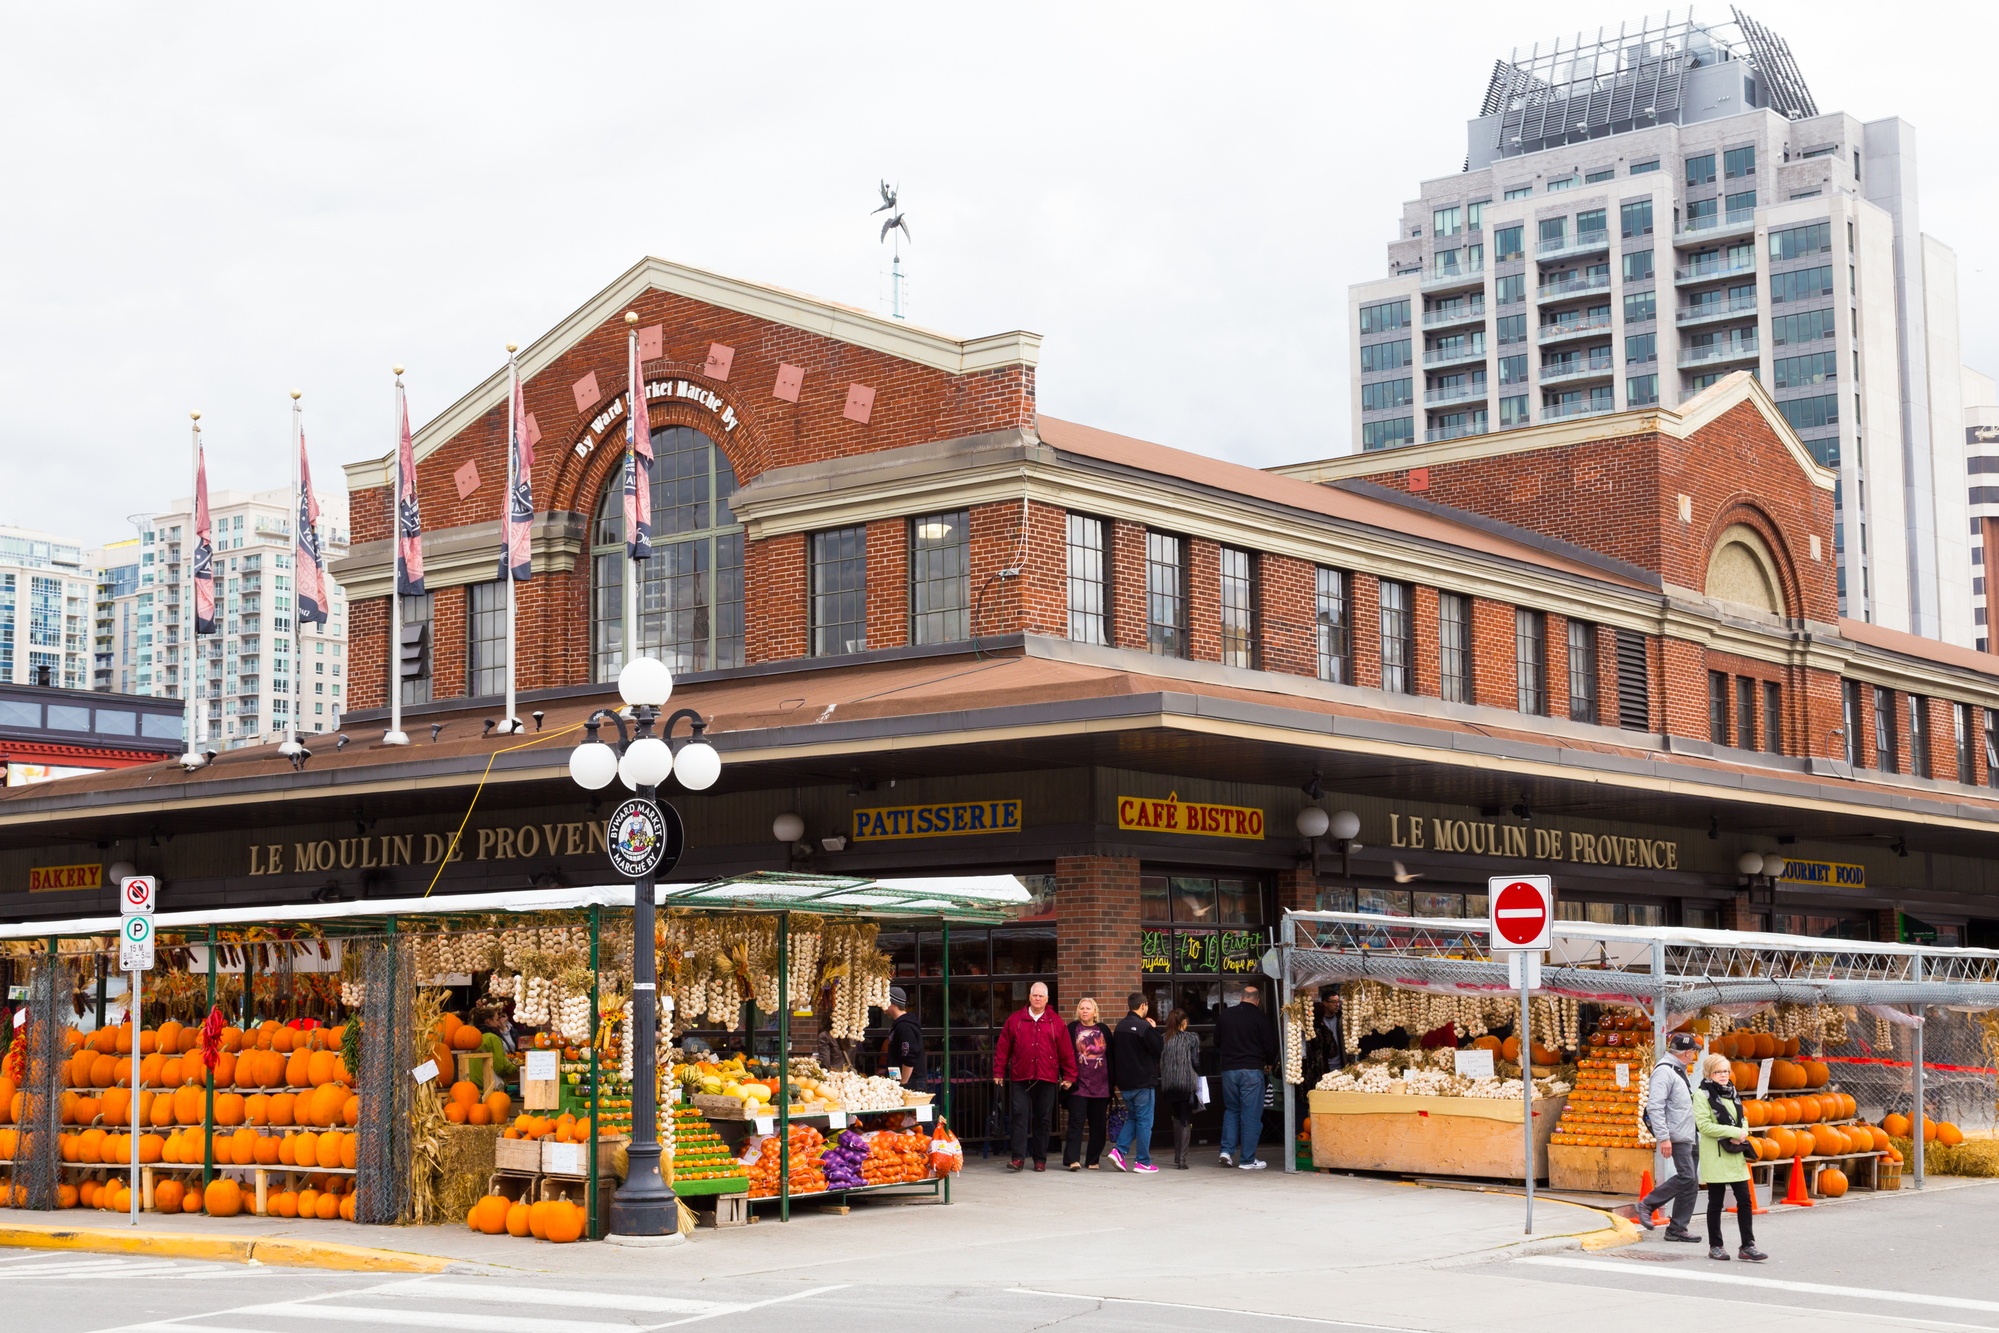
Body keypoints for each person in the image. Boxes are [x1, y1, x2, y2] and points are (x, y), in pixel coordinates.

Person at [993, 981, 1075, 1171]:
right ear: (1029, 997)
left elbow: (1066, 1051)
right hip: (1021, 1077)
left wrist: (1069, 1075)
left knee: (1043, 1118)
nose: (1037, 999)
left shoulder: (1056, 1022)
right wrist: (998, 1071)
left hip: (1046, 1078)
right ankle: (1018, 1158)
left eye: (1041, 996)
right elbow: (1003, 1048)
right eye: (1034, 995)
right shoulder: (1015, 1020)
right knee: (1019, 1116)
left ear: (1047, 999)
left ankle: (1040, 1159)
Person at [1693, 1053, 1768, 1262]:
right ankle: (1715, 1245)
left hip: (1735, 1153)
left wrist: (1742, 1132)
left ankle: (1748, 1245)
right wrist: (1733, 1133)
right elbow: (1704, 1126)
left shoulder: (1732, 1092)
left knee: (1745, 1199)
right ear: (1709, 1073)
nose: (1724, 1075)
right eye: (1718, 1071)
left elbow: (1742, 1118)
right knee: (1715, 1202)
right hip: (1716, 1153)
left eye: (1726, 1071)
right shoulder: (1701, 1095)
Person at [1635, 1031, 1704, 1242]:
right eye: (1694, 1051)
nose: (1694, 1056)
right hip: (1677, 1135)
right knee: (1686, 1176)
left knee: (1691, 1181)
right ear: (1687, 1052)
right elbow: (1655, 1106)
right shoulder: (1664, 1072)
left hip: (1689, 1134)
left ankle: (1677, 1228)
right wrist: (1663, 1138)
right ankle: (1648, 1203)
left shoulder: (1678, 1070)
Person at [1215, 983, 1278, 1169]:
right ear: (1257, 1000)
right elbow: (1270, 1046)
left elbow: (1217, 1041)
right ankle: (1248, 1160)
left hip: (1229, 1070)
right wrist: (1268, 1062)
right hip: (1251, 1070)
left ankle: (1226, 1151)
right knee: (1250, 1115)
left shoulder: (1225, 1015)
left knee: (1232, 1110)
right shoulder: (1261, 1017)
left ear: (1240, 997)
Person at [1108, 993, 1164, 1173]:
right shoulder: (1144, 1027)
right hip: (1143, 1083)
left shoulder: (1120, 1026)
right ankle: (1142, 1161)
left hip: (1125, 1084)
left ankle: (1119, 1151)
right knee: (1145, 1122)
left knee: (1133, 1118)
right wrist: (1153, 1029)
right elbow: (1159, 1048)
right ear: (1144, 1006)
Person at [1063, 998, 1113, 1170]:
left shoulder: (1103, 1030)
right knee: (1076, 1122)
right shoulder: (1071, 1029)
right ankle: (1072, 1159)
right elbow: (1064, 1054)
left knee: (1098, 1125)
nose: (1084, 1011)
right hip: (1079, 1085)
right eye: (1082, 1008)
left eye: (1088, 1008)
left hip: (1101, 1086)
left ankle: (1093, 1159)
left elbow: (1111, 1056)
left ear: (1094, 1012)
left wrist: (1113, 1083)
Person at [1158, 1007, 1201, 1169]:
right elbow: (1196, 1062)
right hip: (1186, 1083)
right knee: (1185, 1119)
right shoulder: (1191, 1038)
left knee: (1176, 1117)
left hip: (1169, 1084)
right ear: (1184, 1022)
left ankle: (1177, 1156)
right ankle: (1182, 1159)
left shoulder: (1163, 1039)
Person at [879, 987, 924, 1089]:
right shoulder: (901, 1025)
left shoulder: (905, 1027)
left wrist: (903, 1082)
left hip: (911, 1082)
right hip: (906, 1080)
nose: (881, 1005)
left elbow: (909, 1053)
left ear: (893, 1003)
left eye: (884, 1001)